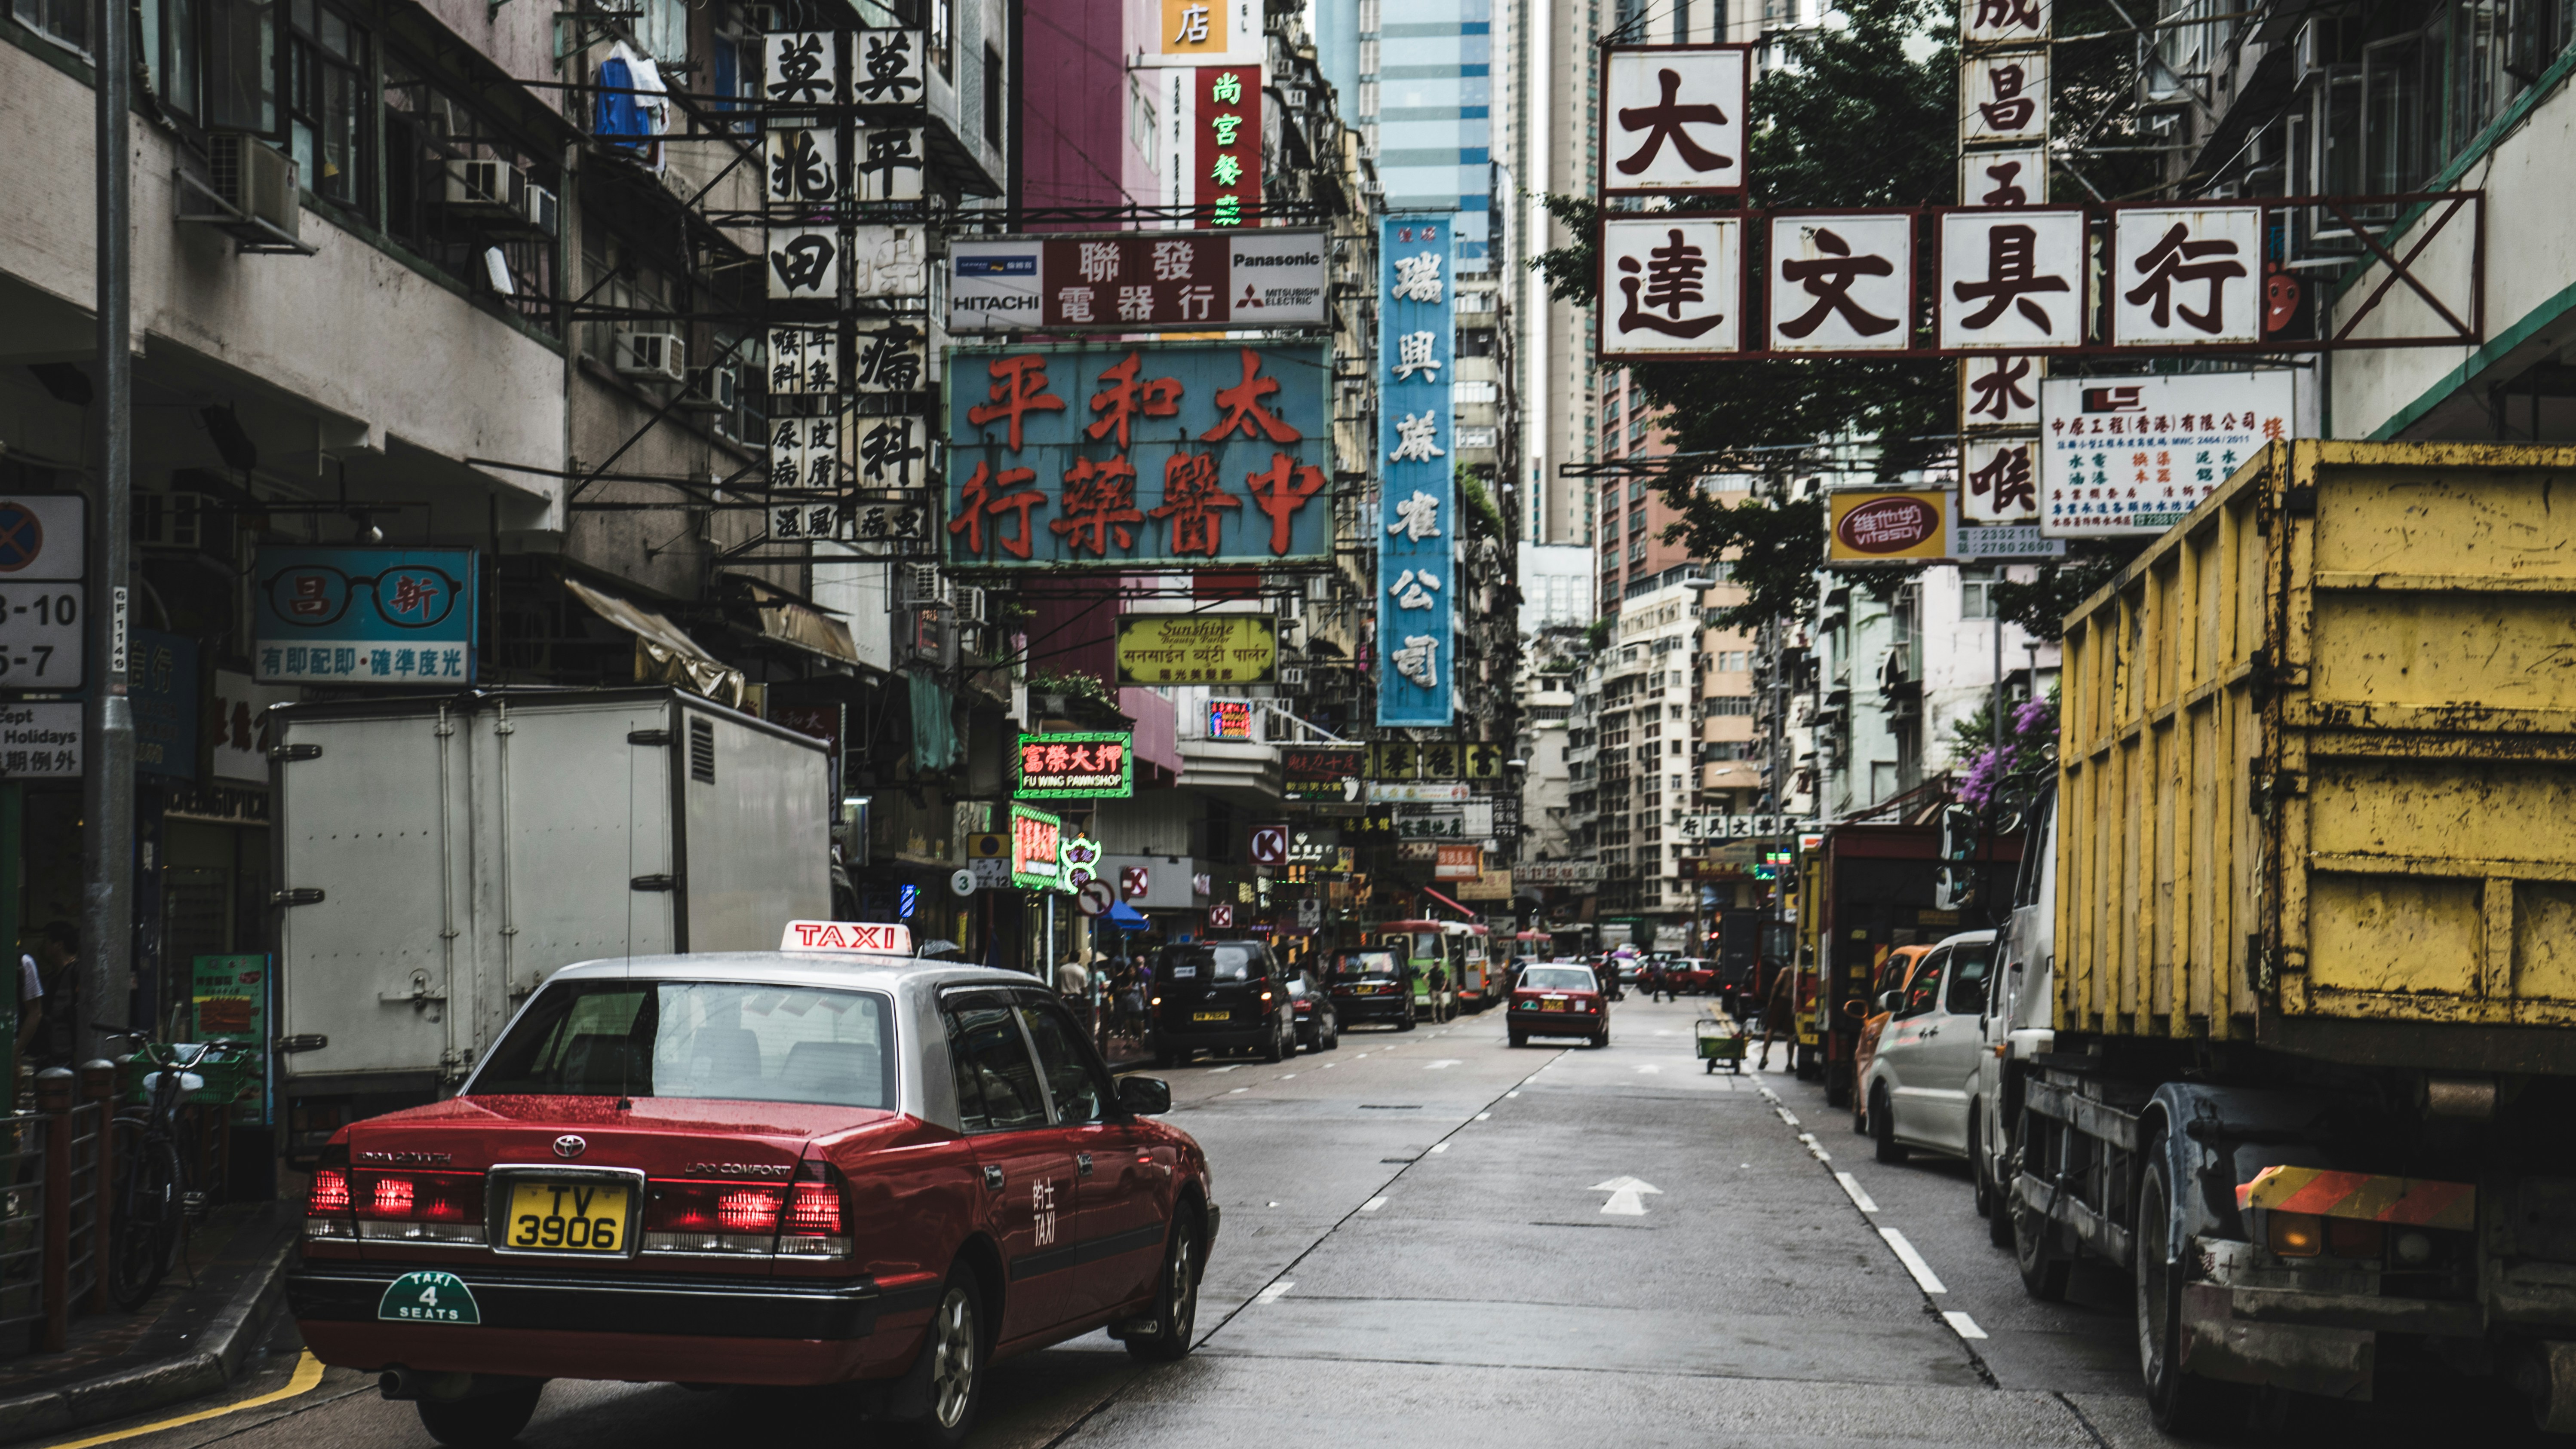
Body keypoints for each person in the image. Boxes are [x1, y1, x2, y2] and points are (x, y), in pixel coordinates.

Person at [1756, 958, 1799, 1071]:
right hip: (1792, 1003)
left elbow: (1776, 985)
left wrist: (1771, 1001)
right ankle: (1790, 1063)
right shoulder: (1799, 971)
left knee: (1771, 1028)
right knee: (1790, 1034)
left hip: (1781, 1001)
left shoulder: (1786, 971)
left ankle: (1764, 1057)